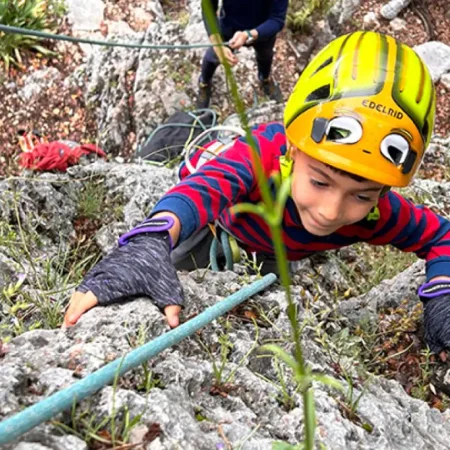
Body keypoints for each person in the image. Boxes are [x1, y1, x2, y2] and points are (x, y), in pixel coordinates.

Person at [64, 31, 450, 355]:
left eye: (362, 195)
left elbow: (440, 235)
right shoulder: (260, 156)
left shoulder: (377, 213)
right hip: (217, 230)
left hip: (272, 253)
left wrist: (442, 292)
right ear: (294, 150)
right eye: (319, 181)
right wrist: (149, 243)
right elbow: (203, 190)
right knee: (175, 268)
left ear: (382, 189)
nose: (332, 211)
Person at [196, 0, 288, 108]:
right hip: (229, 29)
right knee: (213, 57)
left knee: (265, 56)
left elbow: (277, 19)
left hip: (263, 32)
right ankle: (204, 83)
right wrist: (217, 44)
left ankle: (265, 79)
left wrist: (249, 34)